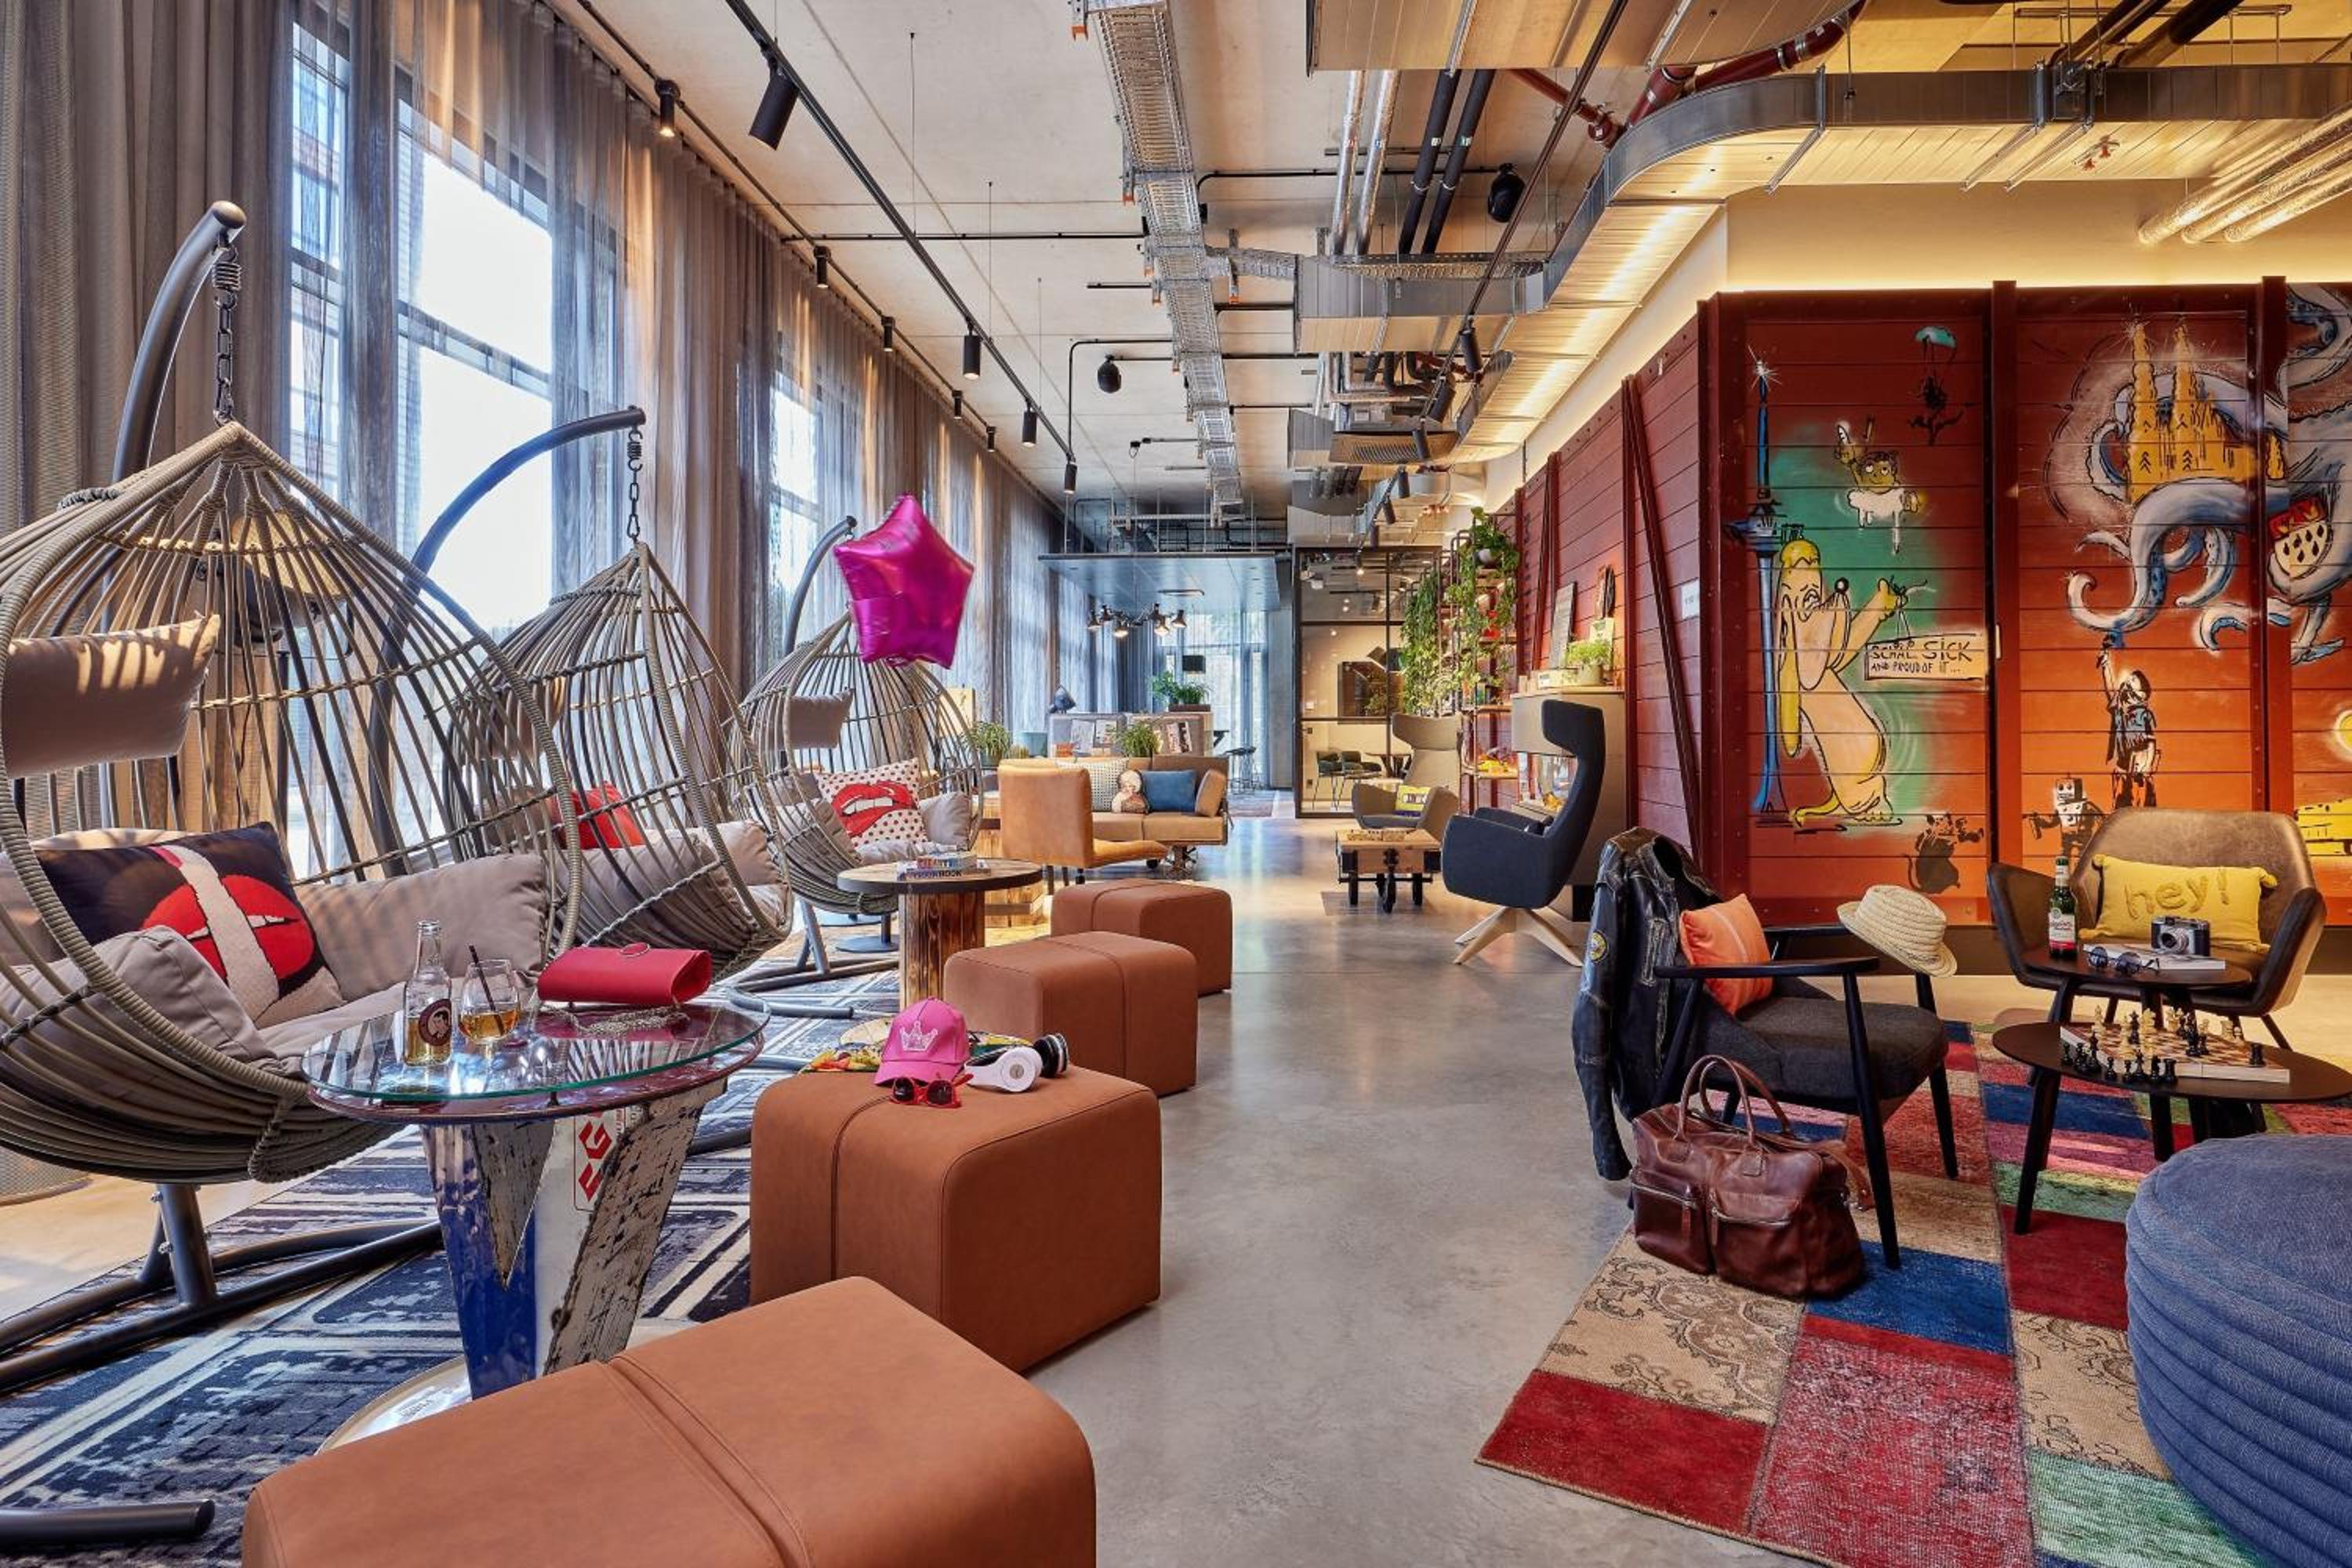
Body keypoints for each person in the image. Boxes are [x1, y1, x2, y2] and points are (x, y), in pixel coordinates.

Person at [2099, 645, 2158, 808]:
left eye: (2133, 680)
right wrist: (2106, 665)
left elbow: (2151, 742)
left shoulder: (2142, 715)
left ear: (2141, 695)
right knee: (2121, 805)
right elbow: (2110, 689)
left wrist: (2146, 766)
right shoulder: (2120, 708)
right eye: (2129, 679)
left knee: (2140, 806)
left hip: (2138, 768)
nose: (2128, 681)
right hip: (2123, 767)